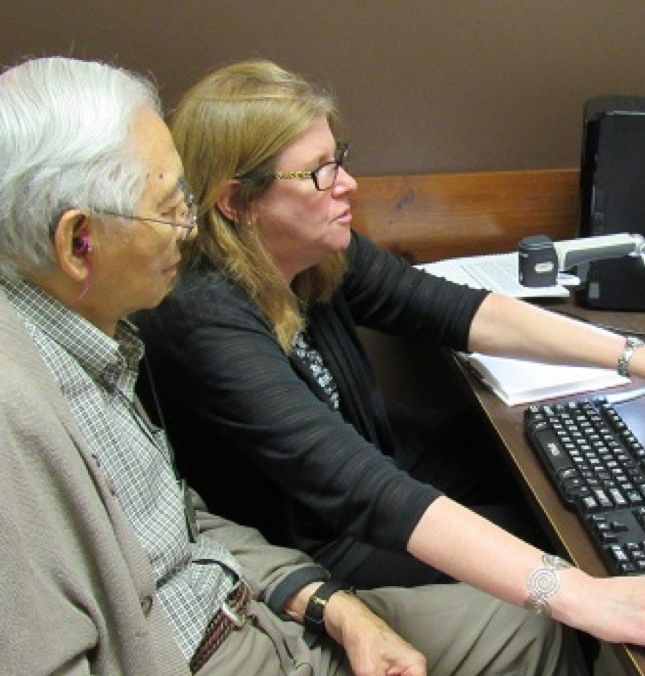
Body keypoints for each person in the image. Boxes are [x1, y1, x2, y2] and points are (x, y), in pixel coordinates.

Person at [135, 58, 645, 665]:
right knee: (567, 550)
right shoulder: (202, 317)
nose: (348, 185)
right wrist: (582, 595)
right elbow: (360, 486)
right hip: (316, 543)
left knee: (561, 496)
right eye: (318, 172)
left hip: (381, 472)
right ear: (236, 201)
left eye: (341, 160)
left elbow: (461, 311)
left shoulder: (316, 251)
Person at [0, 56, 581, 676]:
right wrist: (580, 594)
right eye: (169, 208)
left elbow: (186, 527)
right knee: (548, 592)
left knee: (530, 623)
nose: (187, 228)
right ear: (77, 243)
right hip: (225, 639)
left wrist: (328, 607)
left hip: (258, 602)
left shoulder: (95, 345)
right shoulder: (25, 414)